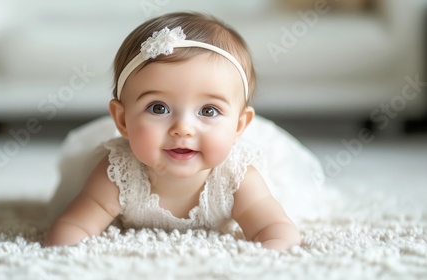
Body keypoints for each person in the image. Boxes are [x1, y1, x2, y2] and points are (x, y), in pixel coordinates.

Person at [45, 12, 333, 250]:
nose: (183, 128)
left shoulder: (236, 177)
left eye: (208, 111)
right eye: (158, 108)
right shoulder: (117, 173)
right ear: (122, 121)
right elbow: (74, 226)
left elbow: (276, 230)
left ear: (239, 126)